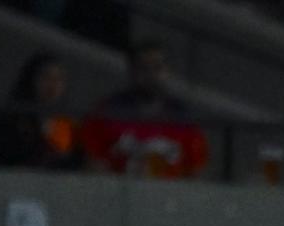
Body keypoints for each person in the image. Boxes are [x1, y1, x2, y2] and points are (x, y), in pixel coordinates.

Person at [82, 38, 208, 178]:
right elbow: (93, 166)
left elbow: (196, 172)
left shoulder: (184, 118)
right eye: (143, 68)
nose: (150, 74)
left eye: (157, 67)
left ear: (168, 71)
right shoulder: (107, 112)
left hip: (170, 198)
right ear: (131, 72)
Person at [0, 50, 83, 170]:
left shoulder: (68, 123)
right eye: (46, 77)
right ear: (31, 80)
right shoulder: (14, 118)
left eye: (59, 79)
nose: (53, 84)